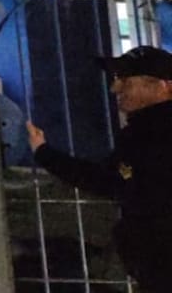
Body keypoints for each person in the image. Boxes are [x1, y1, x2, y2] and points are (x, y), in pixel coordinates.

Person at [27, 45, 172, 291]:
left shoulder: (153, 134)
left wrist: (45, 154)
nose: (115, 88)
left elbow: (110, 182)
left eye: (126, 80)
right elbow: (112, 180)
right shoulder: (145, 131)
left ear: (163, 86)